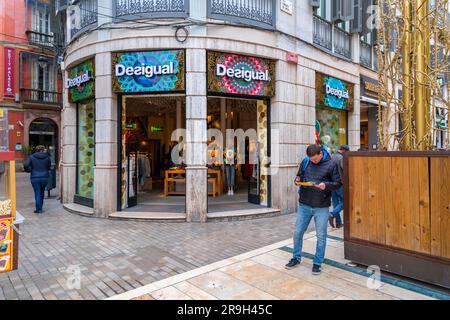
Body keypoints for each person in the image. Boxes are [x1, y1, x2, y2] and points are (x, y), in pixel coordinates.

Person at [286, 144, 341, 275]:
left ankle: (317, 263)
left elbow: (338, 183)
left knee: (321, 236)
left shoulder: (332, 164)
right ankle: (296, 257)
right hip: (304, 204)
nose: (313, 162)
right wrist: (297, 180)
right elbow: (299, 175)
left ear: (321, 154)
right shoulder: (305, 161)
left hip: (321, 206)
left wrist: (326, 185)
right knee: (298, 232)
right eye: (311, 160)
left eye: (315, 159)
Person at [24, 145, 51, 214]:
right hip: (45, 177)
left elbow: (26, 165)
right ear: (43, 150)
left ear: (36, 150)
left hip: (35, 177)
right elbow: (49, 167)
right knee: (42, 192)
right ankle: (40, 207)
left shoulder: (32, 156)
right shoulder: (47, 157)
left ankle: (38, 209)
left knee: (37, 192)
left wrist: (29, 170)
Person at [329, 144, 349, 228]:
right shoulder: (341, 158)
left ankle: (338, 223)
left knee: (336, 203)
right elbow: (346, 170)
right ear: (344, 151)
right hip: (339, 184)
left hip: (331, 183)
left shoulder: (331, 156)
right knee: (346, 201)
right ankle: (332, 214)